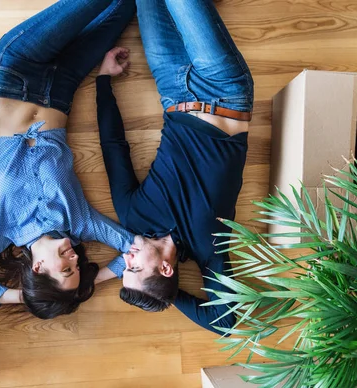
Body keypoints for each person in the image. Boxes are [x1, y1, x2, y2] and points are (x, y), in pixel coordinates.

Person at [0, 0, 137, 320]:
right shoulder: (80, 223)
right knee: (127, 7)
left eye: (66, 268)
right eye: (77, 267)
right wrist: (86, 284)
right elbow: (134, 251)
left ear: (37, 267)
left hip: (15, 72)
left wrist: (29, 296)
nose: (76, 260)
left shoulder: (3, 229)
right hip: (63, 86)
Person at [94, 0, 253, 334]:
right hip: (224, 89)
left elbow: (113, 149)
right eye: (135, 268)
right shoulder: (209, 251)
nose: (127, 258)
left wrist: (103, 82)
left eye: (126, 266)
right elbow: (224, 323)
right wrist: (167, 296)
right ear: (165, 270)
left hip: (171, 86)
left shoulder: (133, 216)